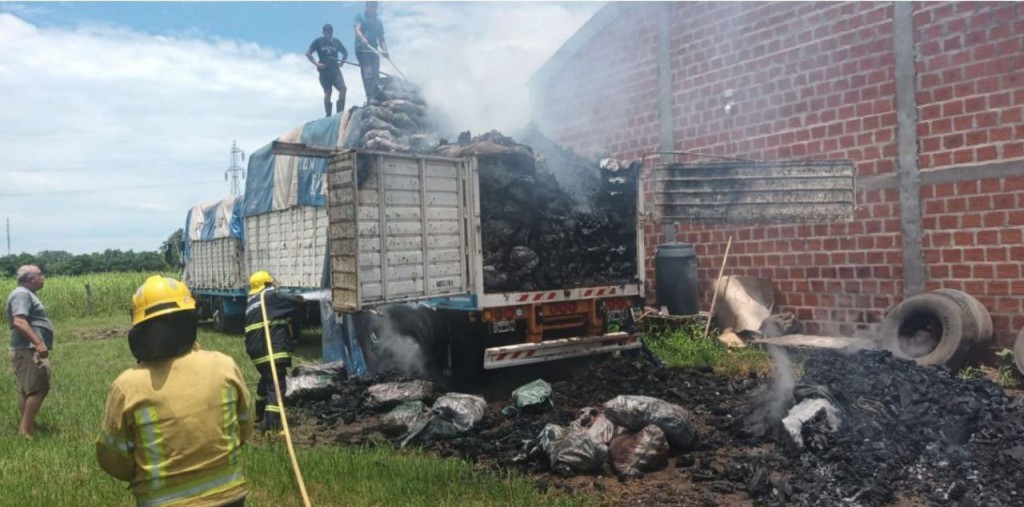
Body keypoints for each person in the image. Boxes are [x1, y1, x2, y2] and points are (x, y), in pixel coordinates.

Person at [96, 276, 253, 507]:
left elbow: (112, 458)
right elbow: (245, 425)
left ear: (139, 331)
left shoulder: (127, 386)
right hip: (229, 497)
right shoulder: (224, 365)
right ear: (190, 322)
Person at [244, 270, 303, 432]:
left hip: (256, 352)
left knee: (267, 381)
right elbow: (293, 302)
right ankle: (272, 425)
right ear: (267, 284)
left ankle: (259, 415)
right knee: (277, 385)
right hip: (271, 350)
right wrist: (301, 299)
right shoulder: (269, 297)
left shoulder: (253, 301)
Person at [7, 265, 53, 437]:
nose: (43, 277)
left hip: (24, 349)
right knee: (39, 388)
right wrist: (38, 343)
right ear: (32, 278)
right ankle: (25, 430)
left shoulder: (25, 294)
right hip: (28, 349)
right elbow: (19, 321)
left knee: (26, 389)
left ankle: (27, 427)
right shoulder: (21, 294)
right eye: (40, 275)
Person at [306, 23, 349, 117]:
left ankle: (340, 113)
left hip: (335, 70)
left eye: (330, 33)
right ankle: (328, 114)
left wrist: (342, 63)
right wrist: (317, 64)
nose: (328, 35)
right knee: (328, 92)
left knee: (343, 89)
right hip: (324, 71)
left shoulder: (336, 42)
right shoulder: (318, 41)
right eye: (326, 33)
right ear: (323, 32)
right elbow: (308, 54)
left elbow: (345, 53)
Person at [354, 1, 389, 103]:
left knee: (376, 72)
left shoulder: (378, 21)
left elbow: (381, 38)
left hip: (374, 49)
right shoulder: (360, 16)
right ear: (366, 6)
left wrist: (385, 50)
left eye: (375, 7)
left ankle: (375, 94)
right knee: (368, 72)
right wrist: (363, 38)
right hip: (362, 48)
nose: (373, 9)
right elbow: (357, 29)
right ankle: (369, 97)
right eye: (371, 6)